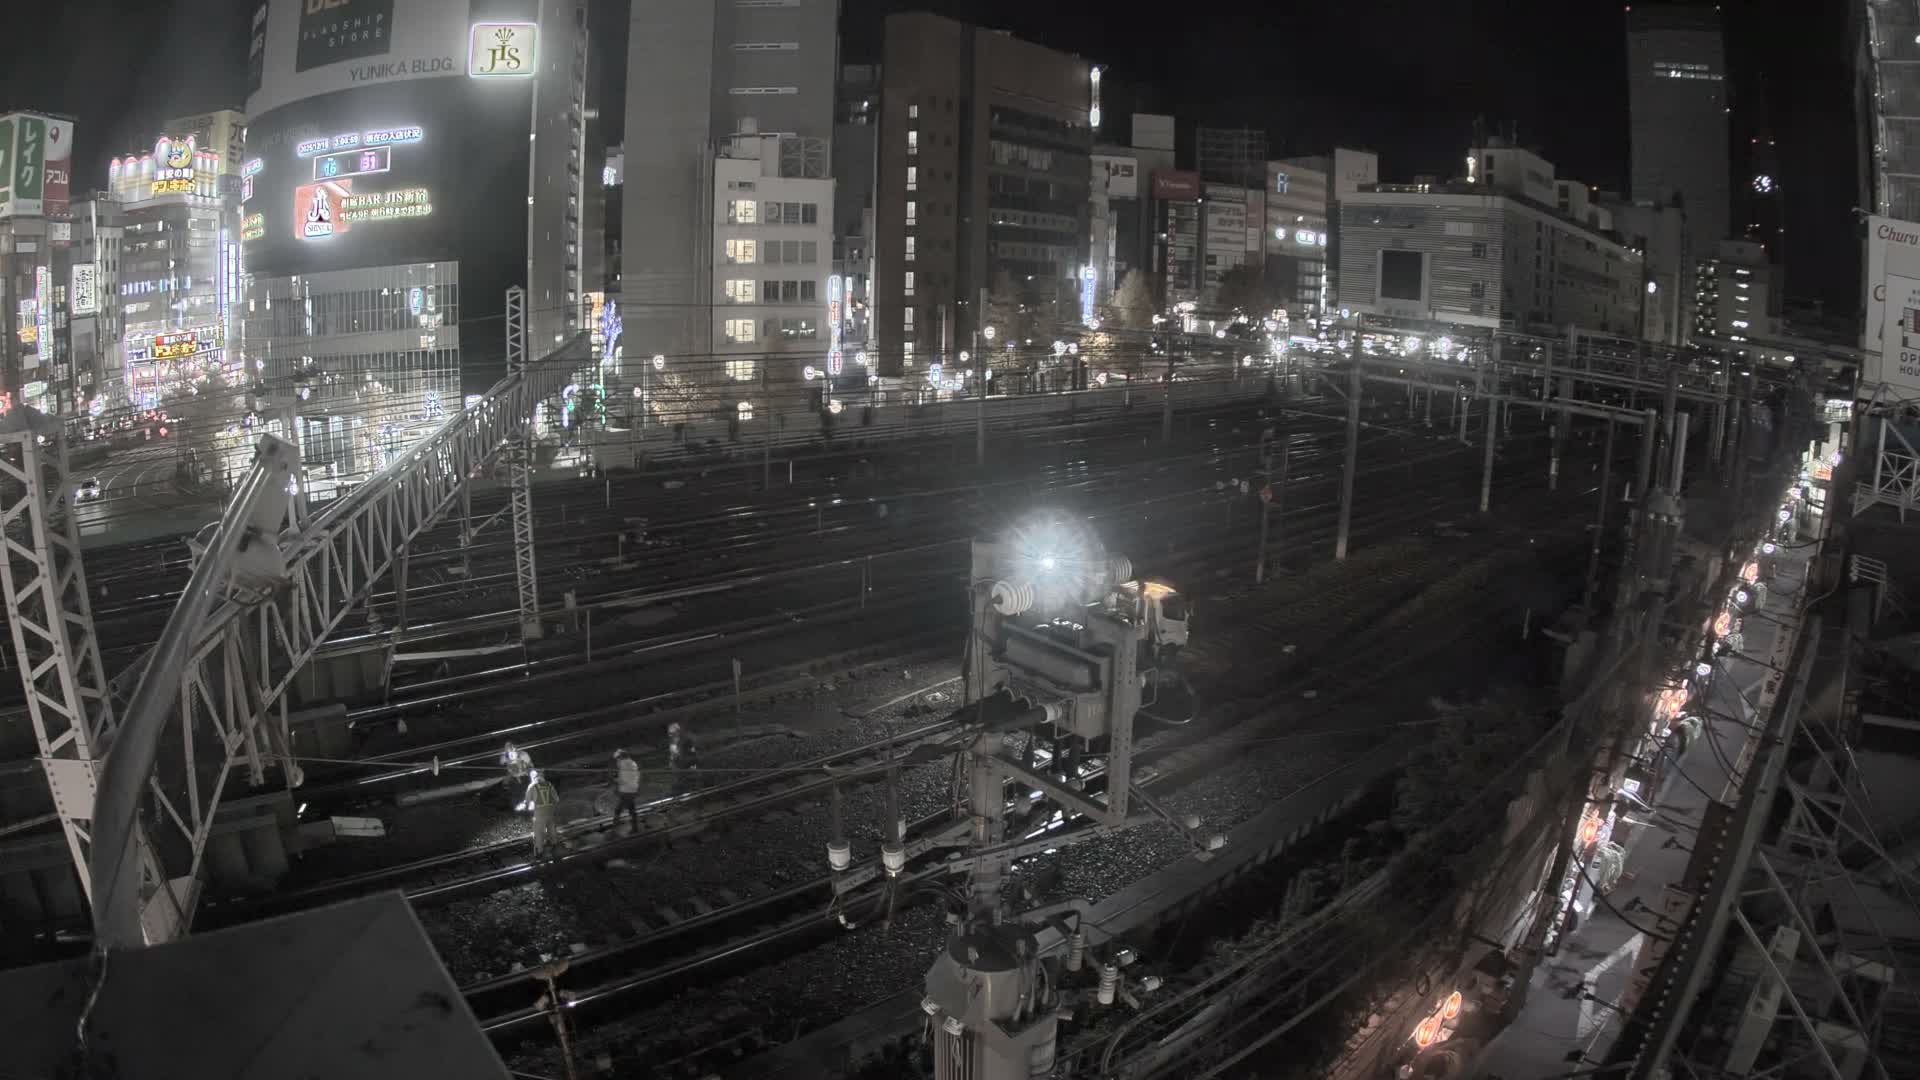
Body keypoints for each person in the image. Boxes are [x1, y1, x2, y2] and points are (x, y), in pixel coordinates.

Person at [526, 768, 562, 858]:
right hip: (550, 809)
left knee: (539, 831)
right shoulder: (549, 785)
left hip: (539, 811)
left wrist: (529, 808)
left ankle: (539, 851)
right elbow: (556, 799)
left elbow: (528, 801)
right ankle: (554, 845)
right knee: (551, 828)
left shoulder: (532, 786)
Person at [612, 748, 642, 833]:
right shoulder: (633, 763)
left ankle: (632, 827)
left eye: (617, 759)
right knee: (628, 807)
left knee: (623, 808)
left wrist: (616, 780)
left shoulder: (623, 764)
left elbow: (622, 779)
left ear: (621, 758)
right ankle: (634, 826)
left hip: (626, 790)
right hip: (632, 789)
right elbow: (634, 776)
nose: (617, 761)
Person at [667, 722, 699, 795]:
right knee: (678, 780)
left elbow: (692, 753)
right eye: (670, 733)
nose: (670, 735)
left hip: (686, 765)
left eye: (672, 733)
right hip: (677, 766)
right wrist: (671, 761)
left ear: (677, 732)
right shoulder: (672, 742)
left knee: (688, 781)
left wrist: (692, 765)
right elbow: (672, 753)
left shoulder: (686, 741)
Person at [503, 742, 534, 809]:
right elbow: (506, 768)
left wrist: (529, 772)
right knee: (516, 791)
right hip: (514, 778)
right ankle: (519, 805)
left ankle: (530, 802)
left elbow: (530, 765)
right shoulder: (505, 757)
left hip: (524, 775)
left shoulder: (523, 755)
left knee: (527, 789)